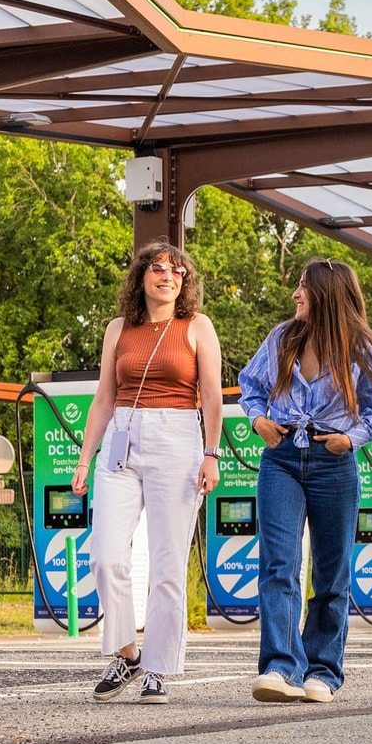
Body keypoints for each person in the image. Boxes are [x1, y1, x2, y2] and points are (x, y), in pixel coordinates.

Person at [238, 259, 372, 703]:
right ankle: (280, 668)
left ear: (326, 293)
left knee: (331, 573)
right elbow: (250, 386)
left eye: (303, 287)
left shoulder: (361, 347)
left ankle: (323, 672)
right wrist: (258, 421)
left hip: (334, 462)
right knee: (278, 565)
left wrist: (351, 439)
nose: (295, 294)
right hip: (281, 459)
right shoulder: (282, 337)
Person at [73, 240, 223, 704]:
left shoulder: (196, 326)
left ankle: (157, 667)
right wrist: (85, 457)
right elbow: (104, 397)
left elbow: (212, 396)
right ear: (141, 275)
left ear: (185, 282)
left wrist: (212, 453)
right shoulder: (118, 328)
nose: (167, 277)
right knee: (105, 556)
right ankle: (128, 654)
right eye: (158, 268)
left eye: (177, 271)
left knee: (167, 562)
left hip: (177, 439)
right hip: (122, 436)